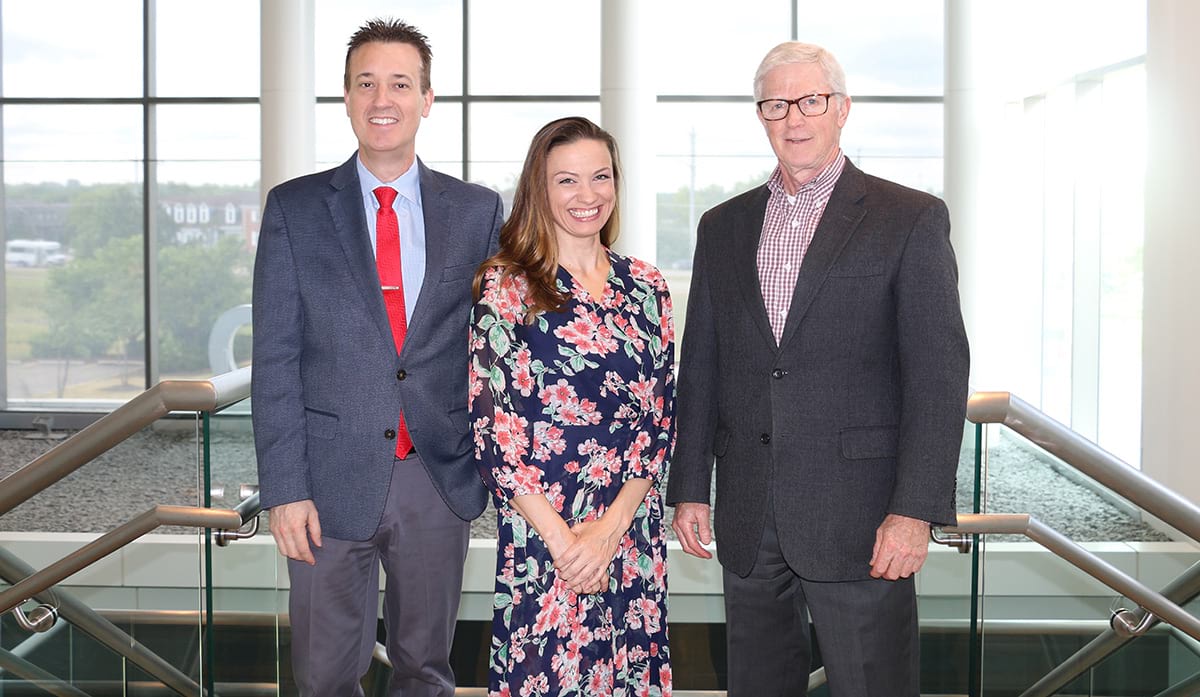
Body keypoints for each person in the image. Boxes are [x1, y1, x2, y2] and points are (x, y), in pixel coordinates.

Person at [666, 41, 970, 697]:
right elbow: (703, 365)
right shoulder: (724, 225)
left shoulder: (909, 218)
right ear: (762, 115)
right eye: (776, 104)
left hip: (862, 520)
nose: (794, 118)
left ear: (842, 109)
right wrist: (689, 484)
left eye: (811, 100)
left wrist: (914, 510)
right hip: (749, 513)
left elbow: (938, 377)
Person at [251, 18, 503, 697]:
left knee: (426, 669)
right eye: (367, 82)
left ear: (427, 98)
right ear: (345, 95)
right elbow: (275, 358)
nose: (381, 97)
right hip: (325, 486)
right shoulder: (294, 209)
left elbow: (497, 346)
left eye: (399, 82)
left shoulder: (478, 211)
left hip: (436, 478)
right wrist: (284, 488)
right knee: (324, 674)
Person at [469, 116, 675, 696]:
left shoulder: (646, 286)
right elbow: (494, 432)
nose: (588, 195)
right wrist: (567, 546)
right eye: (567, 180)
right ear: (539, 188)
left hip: (629, 534)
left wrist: (609, 533)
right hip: (545, 540)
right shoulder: (506, 287)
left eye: (600, 177)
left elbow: (660, 423)